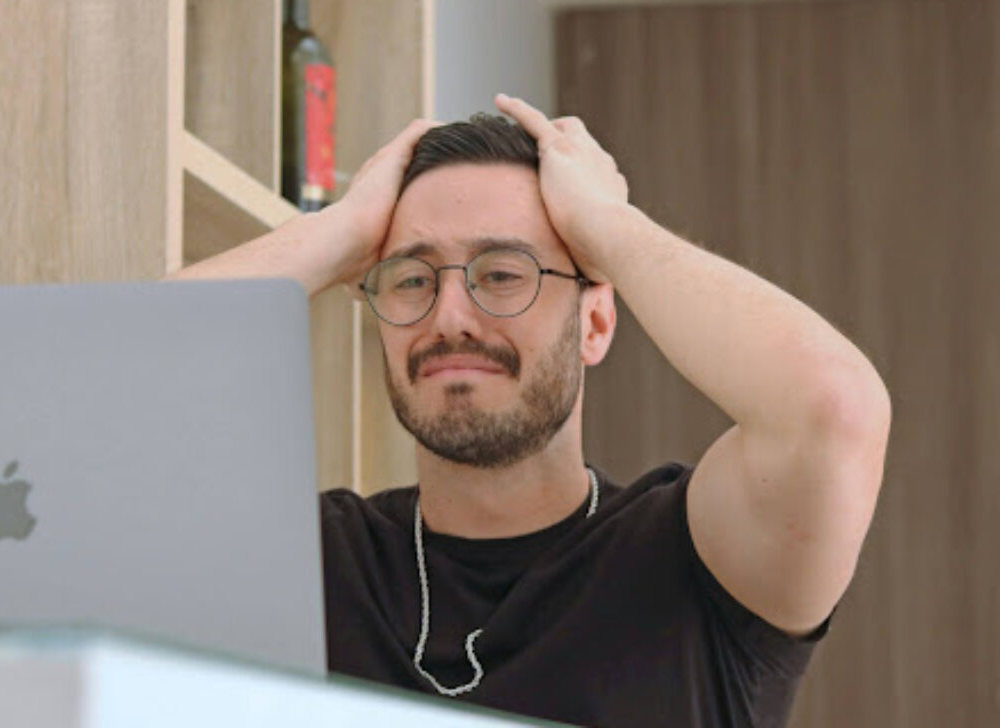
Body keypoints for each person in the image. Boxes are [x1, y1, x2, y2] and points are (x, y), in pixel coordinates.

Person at [163, 94, 892, 728]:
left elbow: (833, 408)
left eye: (503, 273)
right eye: (413, 279)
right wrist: (340, 230)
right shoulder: (313, 565)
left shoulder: (699, 564)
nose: (450, 316)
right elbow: (109, 410)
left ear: (595, 324)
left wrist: (608, 224)